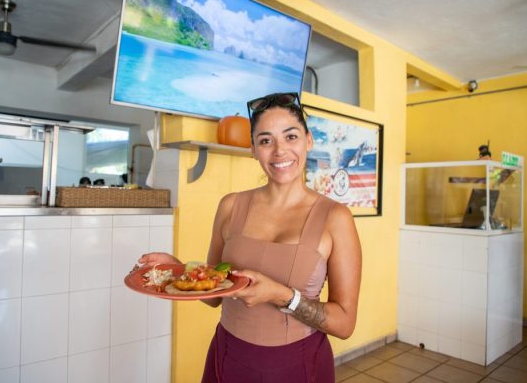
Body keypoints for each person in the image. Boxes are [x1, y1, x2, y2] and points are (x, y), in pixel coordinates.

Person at [138, 92, 362, 382]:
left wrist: (282, 295)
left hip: (300, 364)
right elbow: (214, 294)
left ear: (308, 140)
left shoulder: (336, 217)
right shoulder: (231, 206)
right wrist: (178, 271)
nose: (280, 151)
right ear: (253, 149)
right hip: (228, 356)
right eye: (266, 141)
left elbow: (344, 324)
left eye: (291, 137)